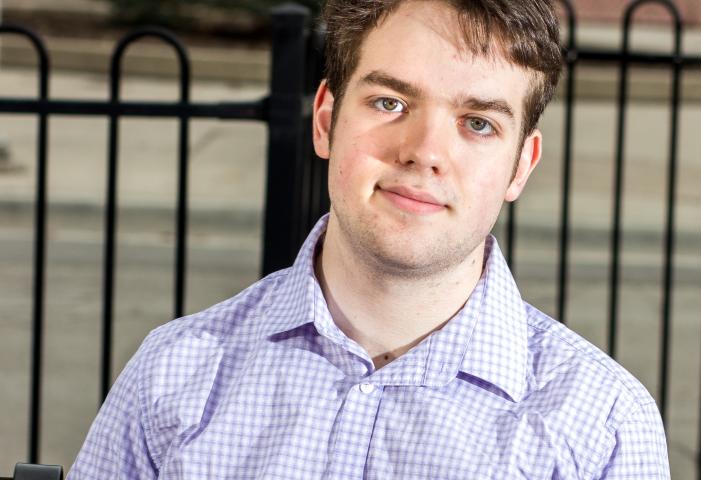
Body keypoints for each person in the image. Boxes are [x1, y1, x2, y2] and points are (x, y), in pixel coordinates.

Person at [68, 0, 670, 478]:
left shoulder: (602, 428)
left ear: (520, 166)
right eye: (390, 101)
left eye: (478, 123)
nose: (424, 153)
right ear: (327, 119)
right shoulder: (173, 374)